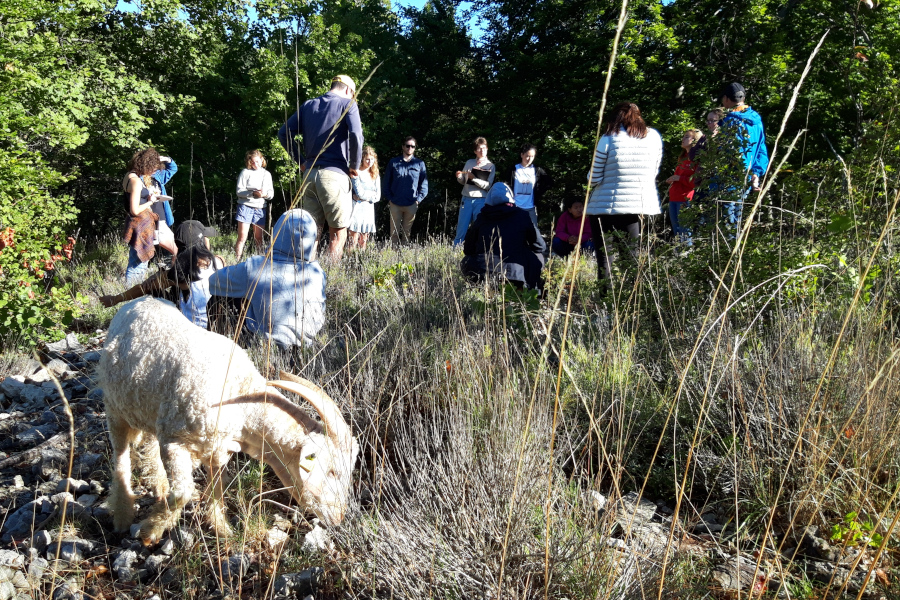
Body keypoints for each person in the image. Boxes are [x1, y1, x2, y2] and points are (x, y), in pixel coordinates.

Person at [208, 209, 326, 349]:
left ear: (277, 233)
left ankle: (217, 346)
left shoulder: (256, 266)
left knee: (225, 297)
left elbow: (213, 282)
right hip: (306, 349)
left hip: (264, 347)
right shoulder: (318, 273)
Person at [277, 74, 363, 262]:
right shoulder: (348, 104)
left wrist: (300, 161)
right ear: (348, 90)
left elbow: (283, 133)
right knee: (338, 234)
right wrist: (354, 166)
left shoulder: (309, 105)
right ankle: (330, 282)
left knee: (310, 233)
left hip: (309, 176)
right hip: (335, 175)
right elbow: (356, 134)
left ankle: (304, 279)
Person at [585, 102, 663, 283]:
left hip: (603, 208)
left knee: (606, 259)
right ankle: (631, 303)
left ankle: (606, 303)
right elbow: (653, 172)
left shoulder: (609, 138)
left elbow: (594, 178)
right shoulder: (653, 138)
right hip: (636, 205)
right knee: (631, 257)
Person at [102, 221, 224, 329]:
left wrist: (115, 299)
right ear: (202, 242)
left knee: (154, 292)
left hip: (191, 329)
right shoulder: (219, 262)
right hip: (214, 327)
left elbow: (143, 288)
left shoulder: (179, 274)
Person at [461, 183, 546, 290]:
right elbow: (540, 246)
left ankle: (477, 288)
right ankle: (532, 289)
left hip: (484, 273)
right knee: (538, 256)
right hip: (517, 275)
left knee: (466, 261)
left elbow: (468, 249)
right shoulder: (522, 216)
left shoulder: (481, 218)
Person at [122, 148, 178, 285]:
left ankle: (136, 291)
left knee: (141, 261)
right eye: (153, 167)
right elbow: (134, 210)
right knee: (138, 264)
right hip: (141, 224)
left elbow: (173, 169)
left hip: (145, 223)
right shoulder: (135, 180)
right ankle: (130, 293)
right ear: (146, 165)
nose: (154, 171)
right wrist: (150, 201)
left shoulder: (130, 175)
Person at [718, 83, 769, 228]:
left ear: (727, 99)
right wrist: (756, 173)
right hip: (748, 177)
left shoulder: (731, 121)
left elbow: (730, 152)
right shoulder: (756, 120)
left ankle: (728, 249)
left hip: (731, 177)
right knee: (737, 220)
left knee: (727, 222)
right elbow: (761, 149)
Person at [383, 136, 429, 246]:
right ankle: (392, 257)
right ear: (403, 147)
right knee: (393, 233)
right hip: (395, 203)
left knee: (406, 233)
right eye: (407, 146)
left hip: (411, 203)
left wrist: (418, 200)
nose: (410, 148)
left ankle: (404, 257)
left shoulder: (419, 164)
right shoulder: (393, 162)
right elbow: (386, 182)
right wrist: (390, 198)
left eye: (412, 146)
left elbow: (424, 184)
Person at [453, 137, 495, 245]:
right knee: (461, 230)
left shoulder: (490, 166)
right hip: (466, 199)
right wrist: (459, 177)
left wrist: (474, 178)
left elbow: (488, 186)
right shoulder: (469, 162)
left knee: (479, 229)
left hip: (481, 200)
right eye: (479, 149)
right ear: (475, 151)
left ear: (487, 149)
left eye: (484, 148)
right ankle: (455, 254)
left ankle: (479, 253)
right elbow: (463, 181)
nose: (482, 151)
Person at [235, 149, 275, 261]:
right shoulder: (245, 173)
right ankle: (237, 261)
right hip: (245, 207)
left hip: (260, 208)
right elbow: (239, 191)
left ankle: (260, 262)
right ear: (249, 162)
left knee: (259, 238)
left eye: (257, 161)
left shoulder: (267, 174)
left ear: (262, 160)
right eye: (253, 162)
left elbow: (271, 194)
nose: (255, 164)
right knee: (242, 237)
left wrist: (264, 195)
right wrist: (253, 193)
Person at [665, 129, 703, 244]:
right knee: (676, 231)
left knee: (685, 231)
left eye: (687, 137)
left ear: (694, 140)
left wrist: (679, 179)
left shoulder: (697, 159)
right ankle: (678, 257)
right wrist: (673, 179)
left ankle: (687, 256)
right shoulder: (682, 157)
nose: (683, 139)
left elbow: (696, 181)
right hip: (674, 197)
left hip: (686, 199)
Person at [504, 144, 554, 232]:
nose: (529, 159)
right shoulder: (513, 169)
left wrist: (539, 192)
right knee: (514, 231)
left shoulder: (537, 170)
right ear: (522, 155)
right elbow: (506, 185)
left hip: (531, 207)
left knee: (533, 232)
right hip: (515, 206)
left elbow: (549, 182)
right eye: (527, 156)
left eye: (532, 156)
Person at [348, 145, 381, 250]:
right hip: (356, 208)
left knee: (363, 241)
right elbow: (359, 192)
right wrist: (369, 195)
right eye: (367, 159)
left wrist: (365, 197)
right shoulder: (356, 172)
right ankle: (349, 262)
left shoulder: (375, 174)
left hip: (368, 209)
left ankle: (361, 262)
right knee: (353, 240)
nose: (369, 162)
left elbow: (378, 196)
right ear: (362, 158)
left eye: (372, 159)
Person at [152, 155, 178, 228]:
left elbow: (173, 169)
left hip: (161, 214)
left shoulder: (158, 175)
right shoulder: (138, 178)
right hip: (147, 214)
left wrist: (167, 159)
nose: (155, 167)